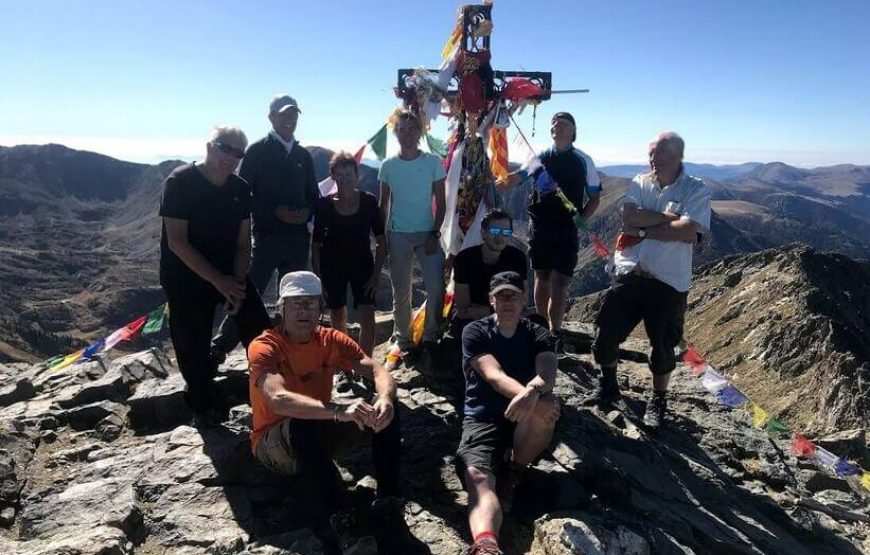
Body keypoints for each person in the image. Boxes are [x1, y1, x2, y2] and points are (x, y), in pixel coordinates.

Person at [248, 271, 401, 554]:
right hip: (274, 443)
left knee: (385, 408)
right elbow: (279, 400)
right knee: (304, 426)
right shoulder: (266, 346)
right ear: (281, 307)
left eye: (310, 303)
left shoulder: (330, 339)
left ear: (321, 307)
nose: (304, 310)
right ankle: (342, 521)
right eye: (296, 303)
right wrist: (338, 410)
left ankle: (389, 496)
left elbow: (377, 370)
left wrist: (386, 400)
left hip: (317, 429)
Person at [586, 131, 711, 430]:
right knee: (604, 334)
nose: (653, 159)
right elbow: (629, 217)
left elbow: (689, 230)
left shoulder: (696, 189)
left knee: (663, 346)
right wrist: (670, 220)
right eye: (651, 153)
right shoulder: (640, 182)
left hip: (668, 282)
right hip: (630, 273)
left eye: (660, 154)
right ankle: (609, 386)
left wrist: (643, 229)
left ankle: (659, 400)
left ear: (677, 155)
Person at [159, 125, 271, 424]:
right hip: (185, 278)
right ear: (210, 146)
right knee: (192, 346)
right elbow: (177, 242)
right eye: (225, 148)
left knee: (260, 330)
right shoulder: (180, 181)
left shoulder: (239, 188)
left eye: (238, 153)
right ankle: (203, 408)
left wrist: (234, 284)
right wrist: (220, 282)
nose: (231, 157)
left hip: (227, 273)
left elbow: (243, 242)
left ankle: (273, 393)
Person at [456, 271, 560, 555]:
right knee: (478, 478)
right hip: (483, 417)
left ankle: (514, 471)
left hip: (525, 415)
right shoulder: (475, 332)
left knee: (546, 409)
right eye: (501, 296)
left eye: (512, 295)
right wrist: (531, 396)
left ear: (524, 299)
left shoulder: (538, 332)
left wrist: (535, 393)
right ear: (491, 300)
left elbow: (548, 370)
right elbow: (493, 375)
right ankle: (486, 543)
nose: (507, 301)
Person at [212, 93, 318, 362]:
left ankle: (292, 348)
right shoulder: (257, 152)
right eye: (284, 115)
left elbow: (313, 195)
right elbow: (243, 193)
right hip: (266, 237)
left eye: (293, 115)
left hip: (297, 240)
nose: (290, 120)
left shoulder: (303, 156)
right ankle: (221, 346)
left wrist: (306, 213)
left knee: (295, 296)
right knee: (249, 291)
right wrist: (274, 213)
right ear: (271, 117)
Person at [501, 112, 601, 344]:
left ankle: (555, 330)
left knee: (560, 282)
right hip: (540, 227)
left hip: (567, 229)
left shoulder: (583, 160)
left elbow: (594, 197)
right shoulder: (541, 158)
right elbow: (518, 177)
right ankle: (542, 327)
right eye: (554, 123)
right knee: (541, 277)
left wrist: (581, 219)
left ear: (573, 131)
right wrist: (492, 175)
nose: (556, 126)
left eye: (562, 123)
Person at [378, 108, 447, 360]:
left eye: (411, 129)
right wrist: (381, 237)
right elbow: (383, 204)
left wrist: (434, 233)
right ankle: (403, 337)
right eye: (401, 130)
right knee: (401, 289)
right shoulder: (388, 166)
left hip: (427, 232)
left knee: (436, 286)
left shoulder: (432, 163)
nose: (406, 134)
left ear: (420, 131)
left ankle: (430, 335)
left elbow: (441, 201)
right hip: (398, 234)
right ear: (395, 133)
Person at [312, 151, 387, 356]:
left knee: (367, 316)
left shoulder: (369, 201)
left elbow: (382, 240)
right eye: (340, 174)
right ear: (333, 176)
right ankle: (345, 361)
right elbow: (316, 245)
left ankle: (365, 363)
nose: (345, 178)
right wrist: (319, 280)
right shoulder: (323, 205)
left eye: (349, 173)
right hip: (331, 266)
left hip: (362, 264)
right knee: (337, 316)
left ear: (357, 174)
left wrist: (375, 275)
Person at [451, 209, 528, 338]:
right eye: (495, 231)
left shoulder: (517, 258)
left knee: (538, 323)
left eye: (505, 232)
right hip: (475, 320)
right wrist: (505, 308)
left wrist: (487, 311)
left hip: (506, 317)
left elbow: (523, 301)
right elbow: (463, 309)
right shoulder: (465, 259)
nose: (500, 237)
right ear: (483, 233)